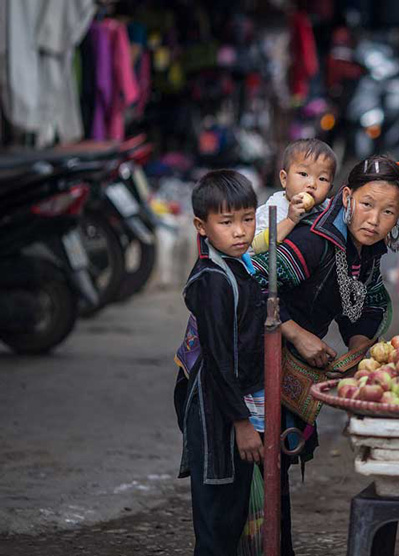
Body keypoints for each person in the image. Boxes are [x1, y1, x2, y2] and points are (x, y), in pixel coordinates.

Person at [173, 170, 272, 555]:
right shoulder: (213, 280)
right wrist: (242, 423)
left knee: (238, 515)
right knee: (218, 523)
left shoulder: (240, 265)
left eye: (248, 219)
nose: (240, 232)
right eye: (226, 222)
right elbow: (217, 360)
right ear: (202, 226)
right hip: (218, 415)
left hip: (235, 405)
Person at [251, 154, 399, 369]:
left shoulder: (368, 249)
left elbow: (367, 303)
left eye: (388, 211)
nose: (374, 220)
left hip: (291, 362)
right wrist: (297, 335)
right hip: (250, 355)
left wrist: (356, 356)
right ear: (346, 197)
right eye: (366, 204)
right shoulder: (313, 240)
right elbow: (252, 283)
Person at [251, 138, 338, 254]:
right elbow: (256, 246)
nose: (312, 184)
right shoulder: (275, 208)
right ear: (284, 179)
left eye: (322, 179)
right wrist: (290, 220)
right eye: (303, 174)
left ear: (330, 188)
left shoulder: (327, 208)